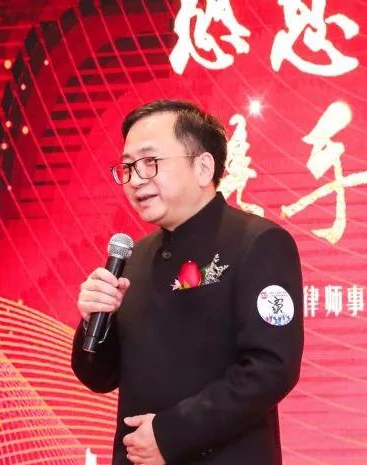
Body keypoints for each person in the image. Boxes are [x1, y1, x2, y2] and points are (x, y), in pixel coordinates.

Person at [72, 100, 304, 465]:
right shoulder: (133, 257)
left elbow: (271, 367)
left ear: (203, 167)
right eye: (128, 167)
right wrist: (94, 320)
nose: (136, 180)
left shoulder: (258, 243)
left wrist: (170, 434)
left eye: (150, 162)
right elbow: (100, 377)